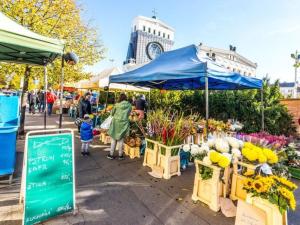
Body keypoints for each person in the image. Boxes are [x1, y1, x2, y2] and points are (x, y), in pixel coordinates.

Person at [107, 93, 132, 160]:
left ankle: (111, 154)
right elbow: (129, 114)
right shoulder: (129, 105)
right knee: (121, 139)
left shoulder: (117, 105)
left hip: (116, 123)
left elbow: (112, 113)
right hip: (124, 123)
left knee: (113, 139)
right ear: (126, 98)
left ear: (120, 98)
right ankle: (120, 155)